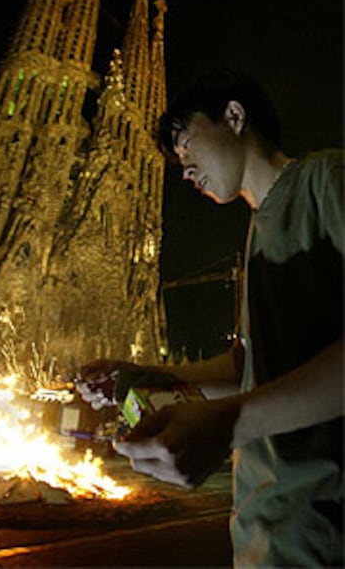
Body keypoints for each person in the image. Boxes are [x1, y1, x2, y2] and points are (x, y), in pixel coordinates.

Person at [76, 66, 344, 567]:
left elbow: (244, 398)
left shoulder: (325, 180)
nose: (184, 169)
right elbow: (246, 366)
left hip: (326, 530)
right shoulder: (256, 231)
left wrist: (229, 423)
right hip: (263, 533)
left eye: (186, 145)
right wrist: (152, 374)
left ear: (234, 116)